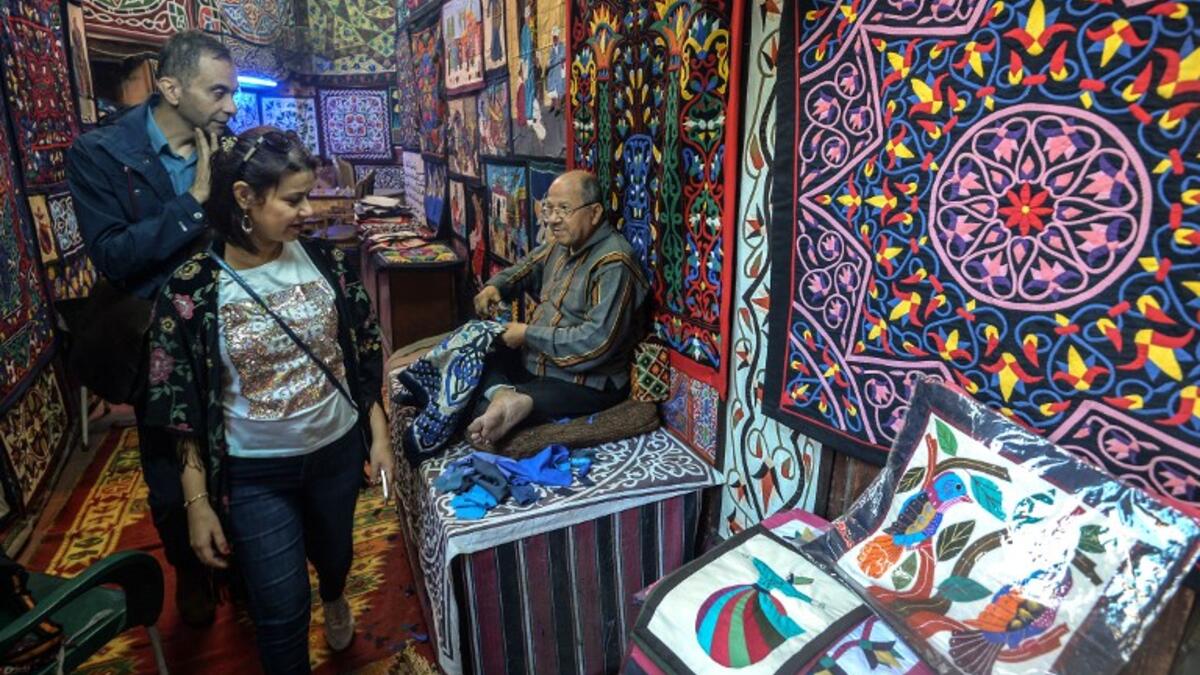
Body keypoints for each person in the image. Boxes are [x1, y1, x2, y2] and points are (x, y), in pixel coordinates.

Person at [141, 127, 394, 673]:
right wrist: (197, 502)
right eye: (294, 199)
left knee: (335, 555)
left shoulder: (326, 262)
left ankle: (334, 593)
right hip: (254, 472)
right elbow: (177, 406)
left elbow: (362, 352)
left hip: (334, 454)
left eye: (309, 196)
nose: (309, 211)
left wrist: (378, 435)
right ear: (244, 198)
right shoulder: (192, 289)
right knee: (280, 609)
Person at [66, 30, 238, 626]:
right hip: (157, 340)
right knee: (169, 470)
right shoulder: (100, 154)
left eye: (232, 93)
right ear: (170, 87)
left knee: (238, 452)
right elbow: (115, 255)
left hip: (228, 324)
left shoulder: (227, 145)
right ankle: (190, 569)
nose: (231, 106)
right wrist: (195, 199)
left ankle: (241, 566)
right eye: (218, 92)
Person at [467, 170, 648, 447]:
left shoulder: (614, 263)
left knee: (480, 409)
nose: (552, 219)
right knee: (473, 357)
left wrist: (527, 335)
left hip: (584, 381)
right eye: (548, 209)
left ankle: (515, 399)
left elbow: (597, 342)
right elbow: (526, 268)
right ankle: (507, 396)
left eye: (563, 209)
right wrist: (496, 287)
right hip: (539, 365)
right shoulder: (561, 246)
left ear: (595, 213)